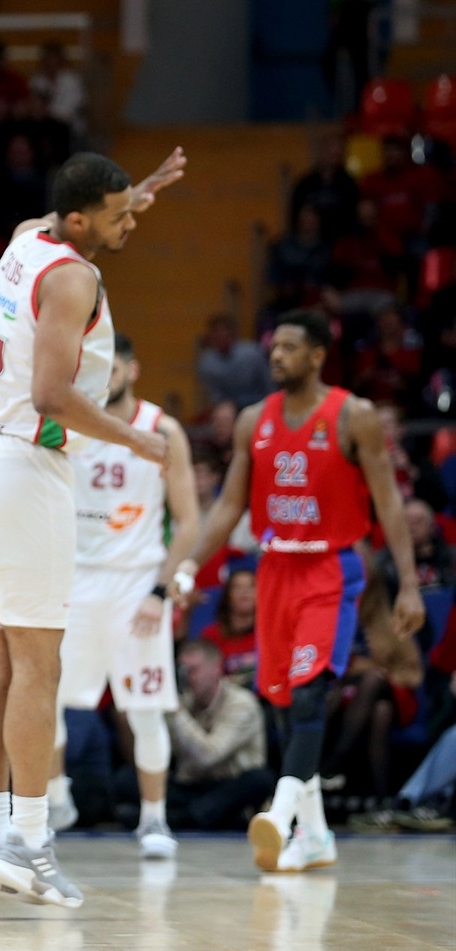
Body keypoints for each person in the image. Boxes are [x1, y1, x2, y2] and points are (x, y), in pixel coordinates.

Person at [0, 147, 183, 909]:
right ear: (80, 221)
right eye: (118, 215)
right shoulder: (75, 277)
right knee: (38, 668)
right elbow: (52, 395)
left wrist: (135, 193)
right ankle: (31, 845)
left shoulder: (28, 239)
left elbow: (64, 214)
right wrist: (136, 439)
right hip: (25, 467)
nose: (130, 224)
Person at [175, 309, 425, 873]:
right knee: (285, 705)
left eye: (289, 347)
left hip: (330, 568)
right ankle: (315, 837)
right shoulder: (252, 420)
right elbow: (230, 505)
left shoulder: (353, 415)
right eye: (273, 347)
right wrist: (189, 564)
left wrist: (408, 583)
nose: (276, 356)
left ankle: (282, 811)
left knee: (312, 693)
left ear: (317, 356)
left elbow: (388, 503)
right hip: (275, 569)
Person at [51, 333, 199, 858]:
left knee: (145, 708)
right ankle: (55, 798)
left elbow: (188, 521)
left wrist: (161, 588)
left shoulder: (163, 429)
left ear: (132, 370)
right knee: (48, 697)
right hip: (75, 577)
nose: (103, 376)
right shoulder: (66, 423)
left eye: (112, 367)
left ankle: (154, 820)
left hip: (136, 583)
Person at [163, 639, 276, 831]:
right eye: (183, 671)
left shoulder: (241, 703)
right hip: (193, 787)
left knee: (260, 780)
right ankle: (198, 816)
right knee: (129, 780)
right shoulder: (183, 702)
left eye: (193, 670)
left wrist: (177, 713)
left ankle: (183, 818)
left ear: (216, 669)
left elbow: (209, 756)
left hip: (230, 785)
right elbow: (168, 756)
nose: (188, 678)